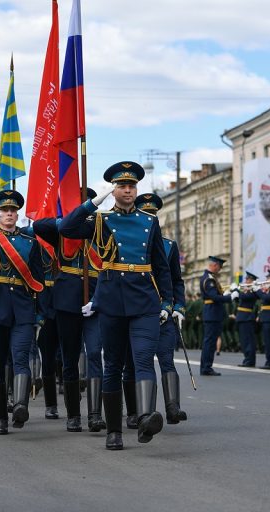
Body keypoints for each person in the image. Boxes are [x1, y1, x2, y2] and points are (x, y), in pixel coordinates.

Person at [59, 161, 173, 450]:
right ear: (114, 189)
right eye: (122, 186)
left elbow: (161, 265)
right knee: (113, 365)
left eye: (131, 186)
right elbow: (68, 228)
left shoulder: (150, 221)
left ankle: (146, 416)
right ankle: (114, 431)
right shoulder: (101, 220)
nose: (127, 190)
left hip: (145, 299)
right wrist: (93, 203)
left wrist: (168, 302)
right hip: (111, 301)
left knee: (145, 359)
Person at [32, 188, 102, 432]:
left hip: (97, 298)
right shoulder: (62, 233)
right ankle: (74, 414)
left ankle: (95, 414)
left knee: (94, 354)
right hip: (67, 301)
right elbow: (39, 226)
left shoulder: (101, 229)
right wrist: (65, 220)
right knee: (70, 358)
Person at [0, 190, 44, 434]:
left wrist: (40, 311)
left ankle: (21, 405)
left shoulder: (29, 242)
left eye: (13, 210)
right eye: (4, 211)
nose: (9, 214)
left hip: (23, 307)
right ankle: (0, 418)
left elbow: (39, 278)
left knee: (20, 357)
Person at [133, 193, 187, 424]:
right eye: (145, 214)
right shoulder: (129, 244)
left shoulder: (169, 246)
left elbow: (176, 280)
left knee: (167, 359)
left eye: (153, 214)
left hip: (163, 312)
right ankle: (141, 412)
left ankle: (173, 408)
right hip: (136, 311)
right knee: (136, 363)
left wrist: (179, 306)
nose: (150, 217)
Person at [200, 256, 237, 376]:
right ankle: (206, 367)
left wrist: (225, 293)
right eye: (219, 267)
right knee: (210, 342)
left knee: (210, 342)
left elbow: (216, 294)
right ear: (215, 265)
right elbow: (214, 297)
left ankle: (206, 367)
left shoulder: (210, 278)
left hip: (212, 313)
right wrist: (230, 297)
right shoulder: (209, 279)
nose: (220, 269)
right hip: (212, 313)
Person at [235, 272, 259, 367]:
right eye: (246, 279)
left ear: (252, 281)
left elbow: (245, 297)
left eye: (248, 280)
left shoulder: (253, 291)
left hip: (247, 317)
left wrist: (236, 290)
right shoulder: (245, 291)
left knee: (249, 341)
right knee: (244, 341)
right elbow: (238, 300)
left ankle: (250, 360)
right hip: (241, 317)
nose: (246, 281)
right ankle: (247, 358)